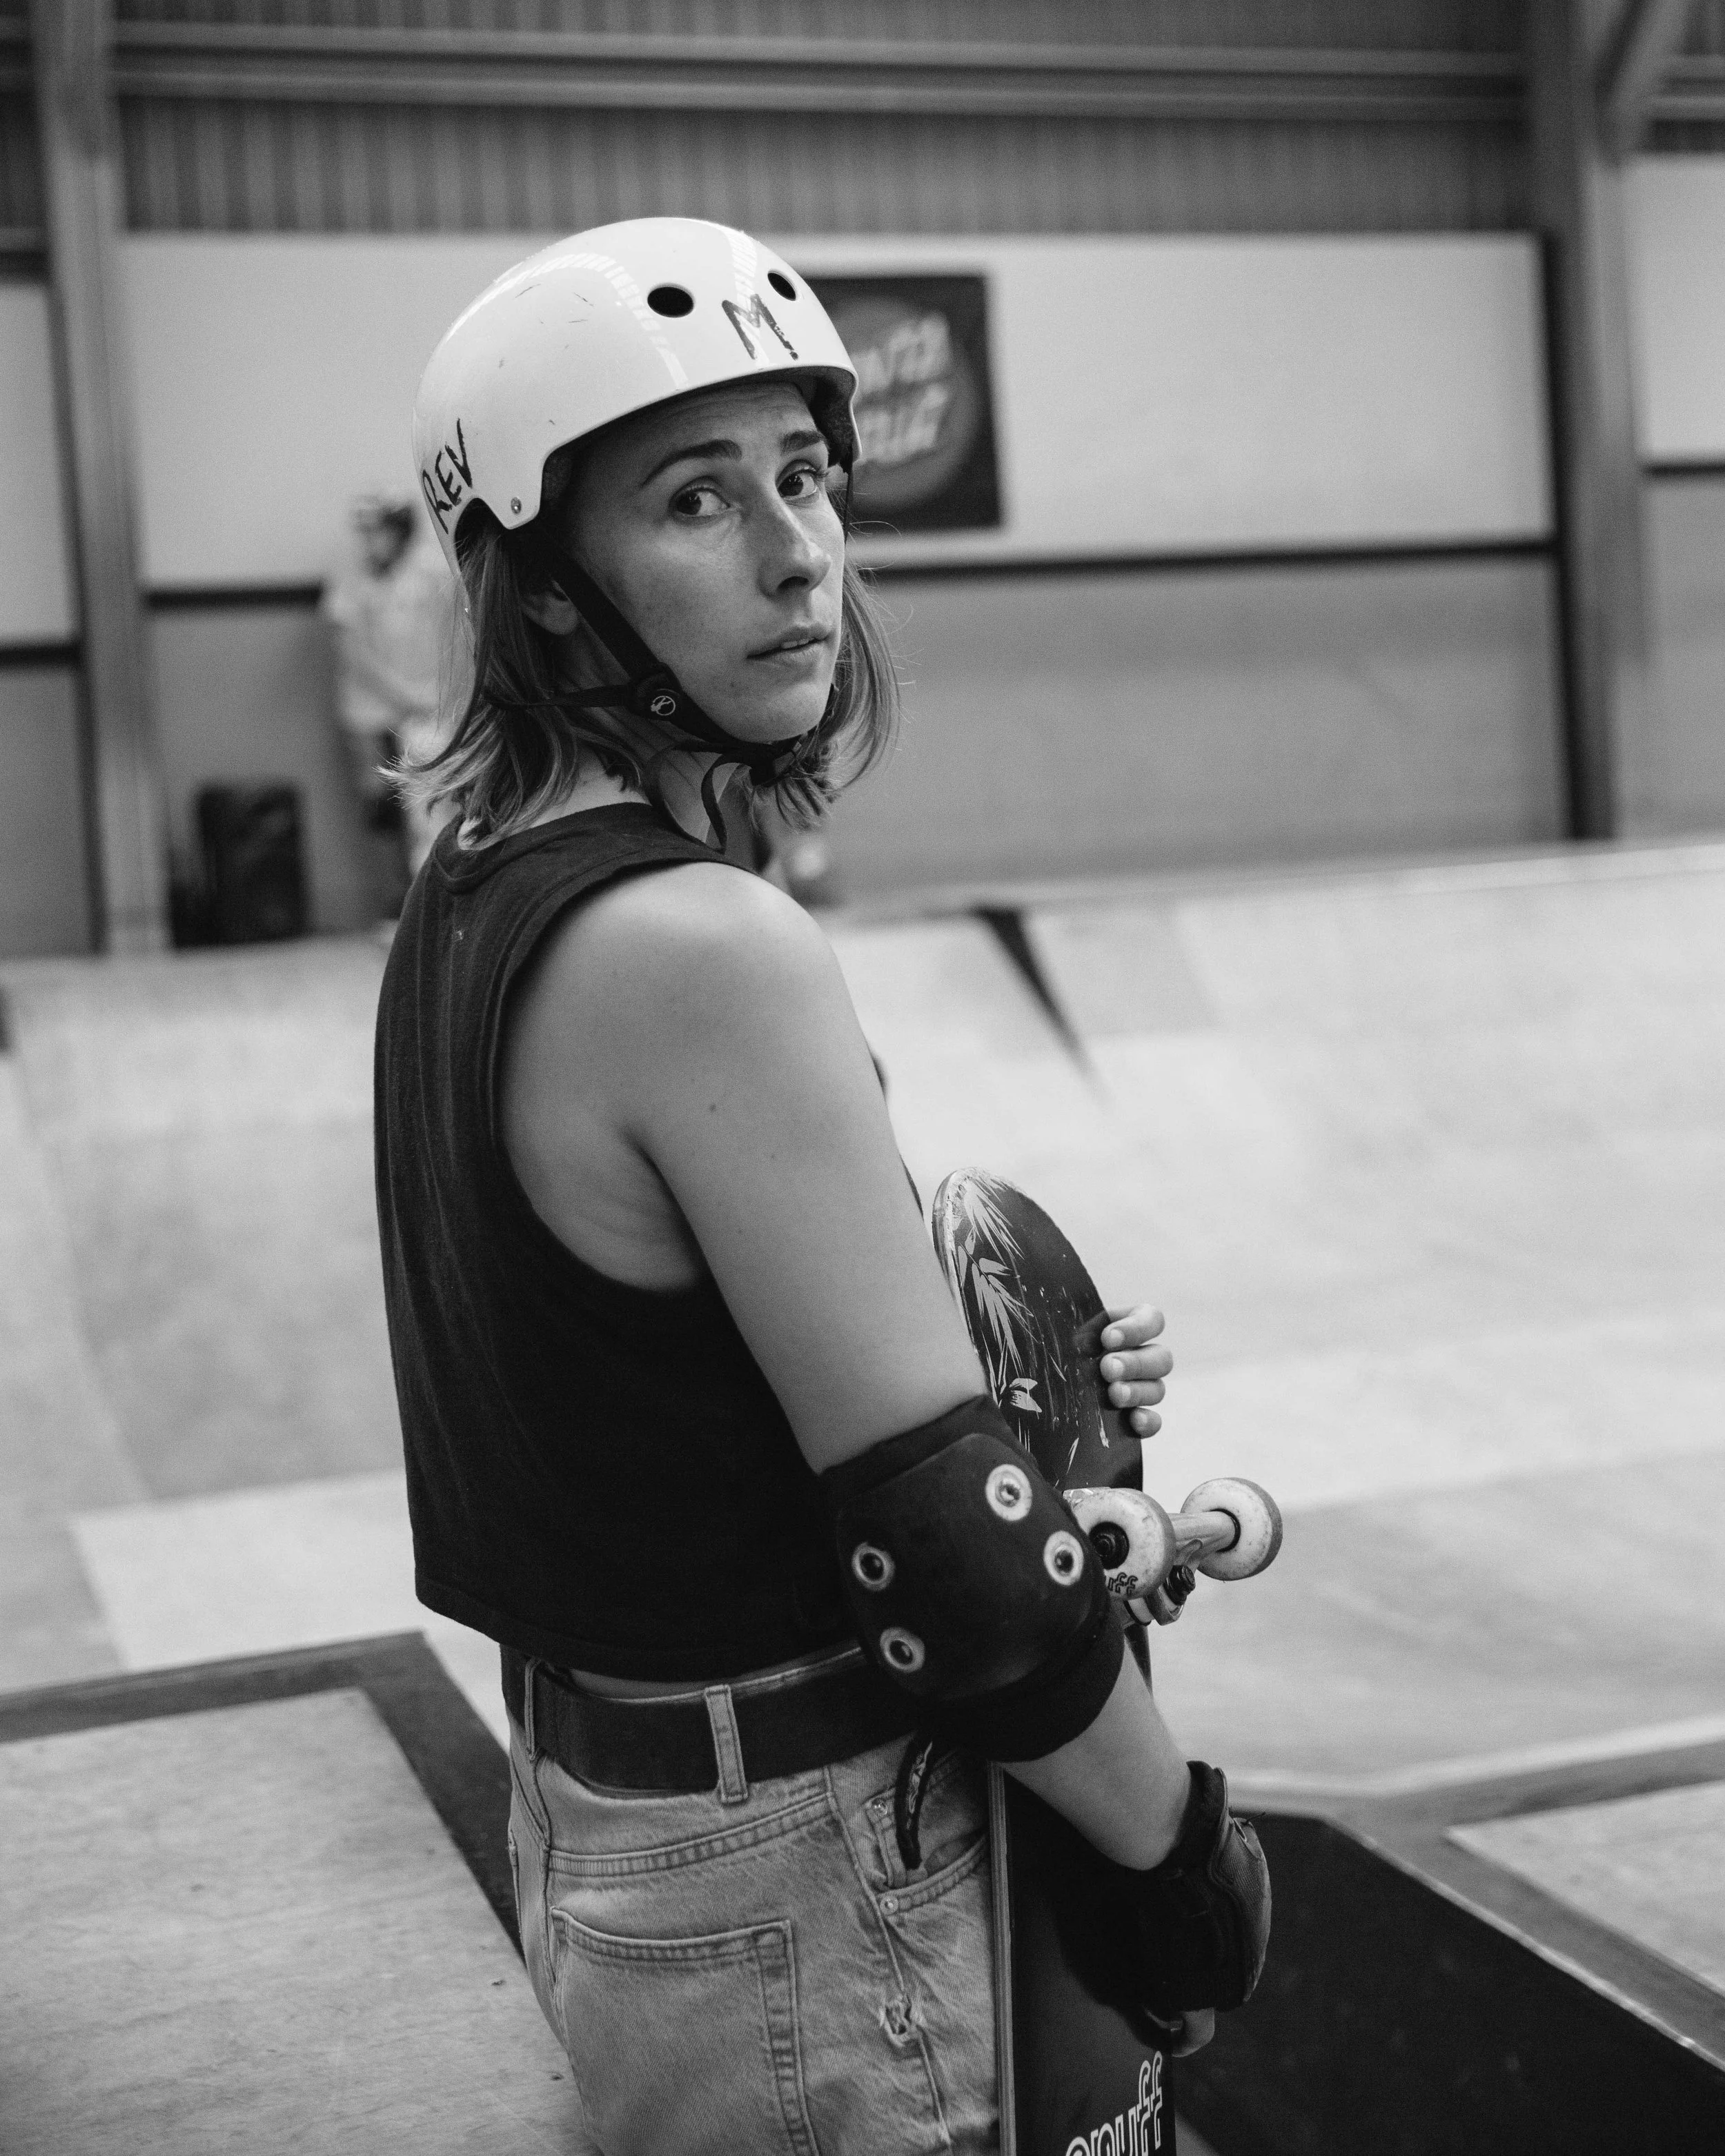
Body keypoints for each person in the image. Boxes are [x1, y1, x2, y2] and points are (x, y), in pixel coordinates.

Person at [375, 218, 1268, 2155]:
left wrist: (1018, 1362)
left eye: (802, 474)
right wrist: (1171, 1843)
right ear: (543, 599)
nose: (795, 547)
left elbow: (646, 1392)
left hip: (620, 1831)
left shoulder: (467, 900)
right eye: (695, 497)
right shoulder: (702, 946)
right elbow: (947, 1548)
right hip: (802, 1892)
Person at [322, 495, 454, 911]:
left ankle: (426, 900)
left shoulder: (430, 573)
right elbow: (350, 650)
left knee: (426, 804)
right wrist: (400, 690)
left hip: (424, 709)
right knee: (379, 804)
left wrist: (431, 692)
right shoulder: (351, 579)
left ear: (401, 534)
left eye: (379, 532)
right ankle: (393, 905)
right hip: (369, 710)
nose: (370, 543)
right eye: (365, 534)